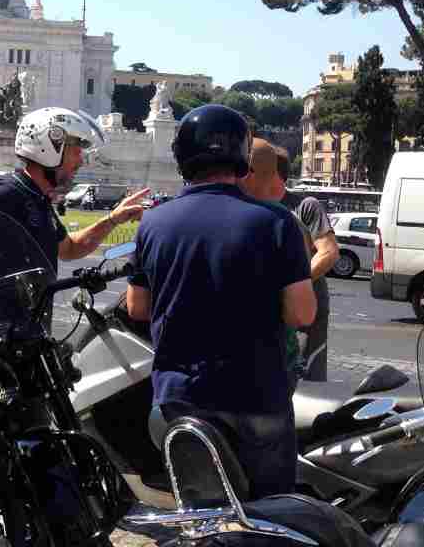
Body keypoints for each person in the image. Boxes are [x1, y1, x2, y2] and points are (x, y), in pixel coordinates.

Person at [126, 104, 316, 498]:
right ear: (242, 157)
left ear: (182, 157)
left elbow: (136, 307)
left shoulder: (153, 222)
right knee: (268, 517)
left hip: (180, 399)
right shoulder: (275, 222)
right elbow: (302, 313)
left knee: (202, 518)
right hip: (255, 396)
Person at [0, 107, 150, 279]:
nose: (80, 161)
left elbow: (69, 248)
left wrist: (113, 219)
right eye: (76, 151)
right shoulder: (7, 192)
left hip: (33, 325)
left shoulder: (37, 197)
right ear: (49, 149)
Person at [276, 145, 338, 382]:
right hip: (276, 311)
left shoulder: (305, 206)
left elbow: (329, 253)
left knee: (306, 377)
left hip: (305, 307)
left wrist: (291, 283)